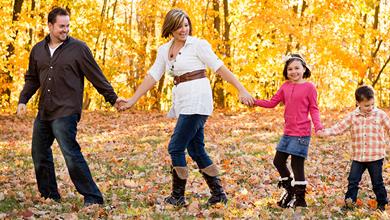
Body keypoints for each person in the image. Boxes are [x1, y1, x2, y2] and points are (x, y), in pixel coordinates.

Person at [119, 9, 254, 206]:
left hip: (198, 99)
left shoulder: (197, 45)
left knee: (175, 147)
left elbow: (220, 68)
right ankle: (218, 195)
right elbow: (152, 76)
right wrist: (132, 100)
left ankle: (178, 196)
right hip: (183, 101)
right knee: (196, 149)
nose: (183, 29)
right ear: (170, 28)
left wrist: (241, 89)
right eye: (178, 26)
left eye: (185, 24)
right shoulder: (164, 50)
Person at [16, 7, 124, 206]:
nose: (65, 30)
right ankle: (50, 195)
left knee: (71, 154)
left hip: (66, 111)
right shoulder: (38, 50)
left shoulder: (78, 49)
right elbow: (32, 79)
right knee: (39, 153)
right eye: (61, 26)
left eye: (67, 26)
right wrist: (23, 100)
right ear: (50, 26)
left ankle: (93, 197)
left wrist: (113, 99)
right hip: (44, 111)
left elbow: (96, 76)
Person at [253, 54, 323, 208]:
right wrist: (254, 101)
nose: (293, 71)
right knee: (278, 161)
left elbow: (314, 109)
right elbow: (272, 103)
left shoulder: (309, 87)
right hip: (288, 132)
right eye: (290, 69)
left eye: (297, 68)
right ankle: (289, 190)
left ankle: (300, 200)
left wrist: (318, 127)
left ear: (304, 69)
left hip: (302, 132)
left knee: (297, 165)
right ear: (286, 71)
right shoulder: (285, 86)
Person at [317, 85, 390, 211]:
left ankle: (383, 203)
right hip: (358, 157)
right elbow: (340, 127)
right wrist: (327, 132)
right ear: (358, 103)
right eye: (366, 105)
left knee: (377, 182)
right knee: (352, 181)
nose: (370, 108)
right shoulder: (353, 117)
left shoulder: (380, 115)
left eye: (372, 104)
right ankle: (349, 203)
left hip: (375, 156)